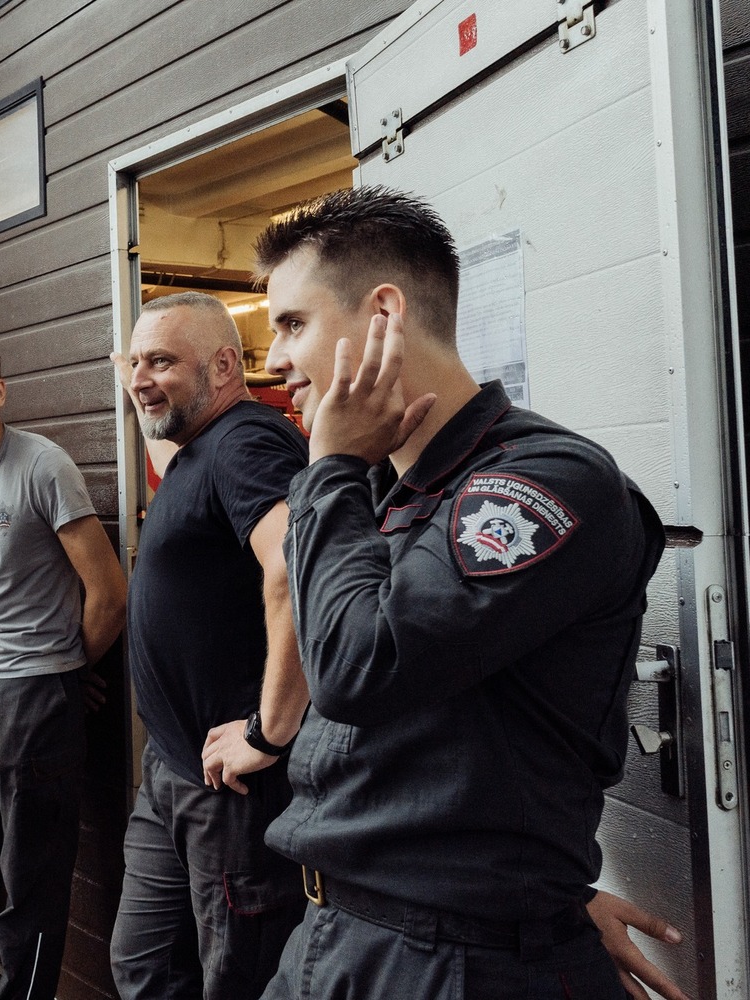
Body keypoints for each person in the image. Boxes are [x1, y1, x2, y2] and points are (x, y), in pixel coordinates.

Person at [254, 186, 670, 999]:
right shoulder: (376, 488)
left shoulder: (546, 478)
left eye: (293, 324)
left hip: (443, 962)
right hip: (336, 933)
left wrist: (329, 467)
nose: (274, 360)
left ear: (384, 313)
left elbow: (358, 668)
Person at [108, 292, 311, 1000]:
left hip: (233, 790)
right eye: (136, 362)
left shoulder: (247, 441)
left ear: (225, 366)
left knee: (235, 980)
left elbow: (294, 567)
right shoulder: (200, 446)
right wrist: (144, 383)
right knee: (143, 968)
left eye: (162, 361)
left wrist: (269, 731)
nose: (141, 377)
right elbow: (164, 430)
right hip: (174, 766)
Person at [0, 337, 126, 1000]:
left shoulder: (43, 466)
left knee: (30, 871)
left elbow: (109, 592)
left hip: (36, 684)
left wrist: (65, 669)